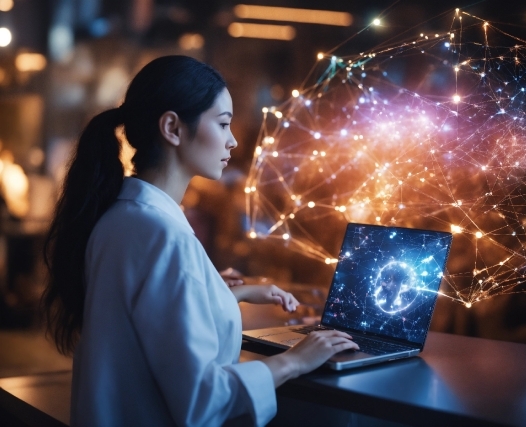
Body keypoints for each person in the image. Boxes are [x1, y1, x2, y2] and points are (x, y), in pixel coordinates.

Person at [41, 55, 358, 427]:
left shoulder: (121, 217)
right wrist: (295, 360)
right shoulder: (163, 236)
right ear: (173, 127)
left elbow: (140, 317)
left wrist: (218, 292)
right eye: (222, 123)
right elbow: (201, 400)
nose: (233, 139)